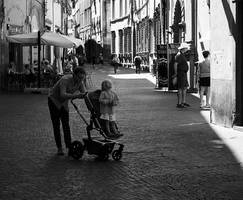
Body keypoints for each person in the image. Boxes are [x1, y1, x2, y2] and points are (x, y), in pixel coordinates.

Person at [48, 67, 87, 155]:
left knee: (66, 124)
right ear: (74, 75)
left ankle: (69, 146)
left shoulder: (80, 81)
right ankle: (59, 148)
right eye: (79, 78)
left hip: (64, 103)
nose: (81, 80)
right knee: (56, 125)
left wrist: (87, 96)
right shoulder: (65, 80)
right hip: (54, 101)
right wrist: (76, 96)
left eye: (82, 78)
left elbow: (85, 93)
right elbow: (62, 94)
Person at [173, 42, 190, 108]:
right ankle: (179, 103)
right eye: (186, 48)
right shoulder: (179, 55)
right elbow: (175, 64)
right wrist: (176, 73)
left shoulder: (181, 54)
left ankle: (183, 102)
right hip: (181, 74)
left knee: (184, 87)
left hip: (183, 73)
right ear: (184, 48)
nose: (187, 49)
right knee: (180, 88)